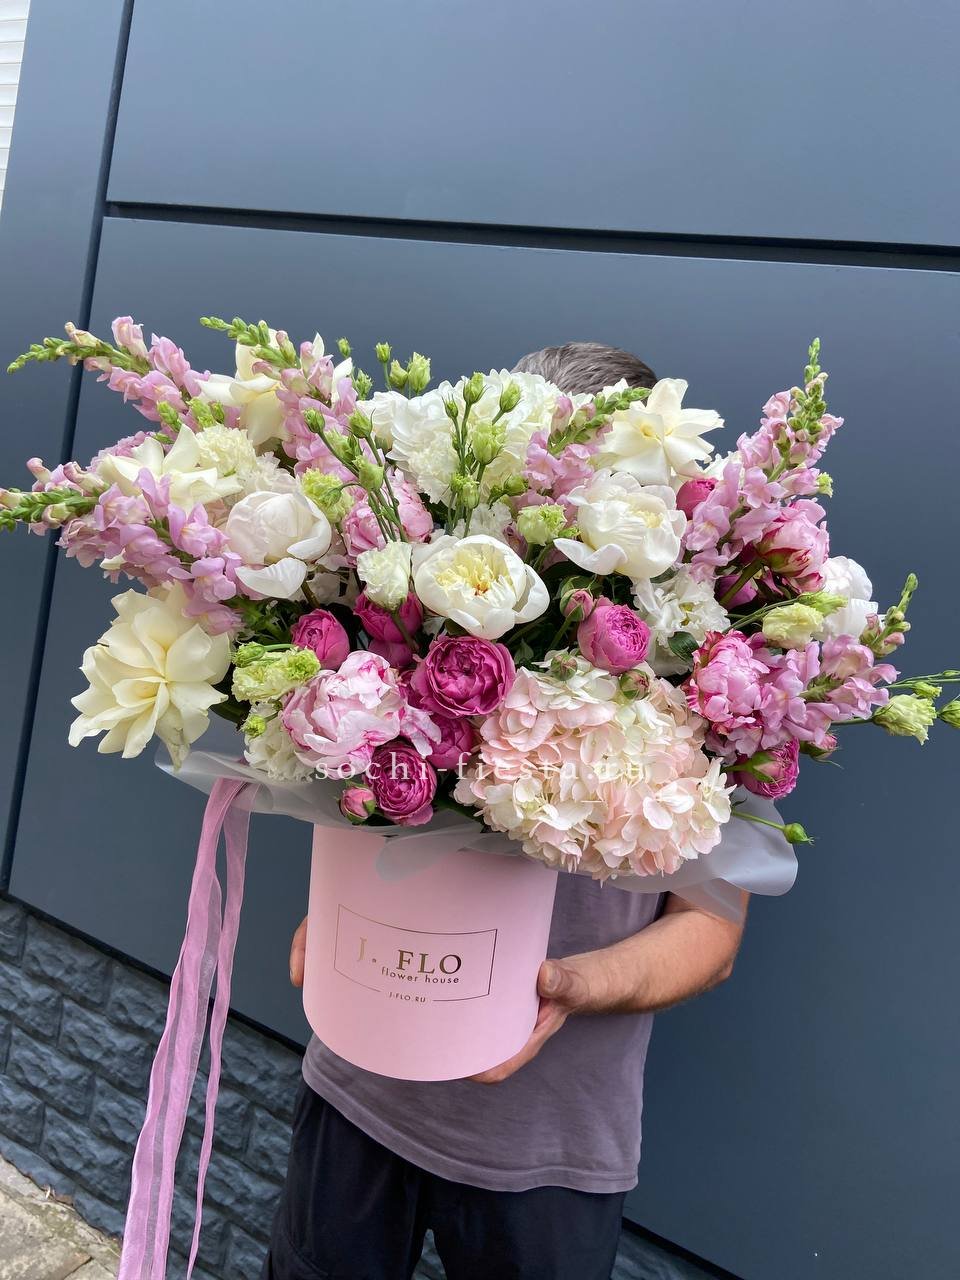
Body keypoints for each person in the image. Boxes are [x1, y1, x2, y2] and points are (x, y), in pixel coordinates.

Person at [262, 342, 755, 1280]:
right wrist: (337, 914)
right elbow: (362, 791)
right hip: (362, 1076)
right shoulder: (442, 601)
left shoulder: (718, 678)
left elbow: (712, 934)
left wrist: (564, 987)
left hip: (548, 1140)